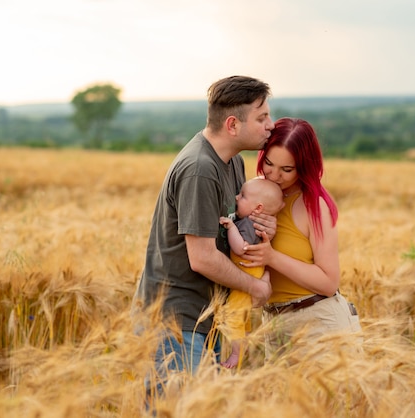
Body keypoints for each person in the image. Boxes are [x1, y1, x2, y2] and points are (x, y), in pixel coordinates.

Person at [131, 76, 277, 393]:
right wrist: (256, 287)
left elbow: (235, 233)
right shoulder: (199, 168)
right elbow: (203, 258)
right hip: (175, 321)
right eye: (262, 117)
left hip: (208, 319)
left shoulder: (233, 162)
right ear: (233, 125)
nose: (270, 125)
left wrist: (265, 228)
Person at [243, 117, 362, 361]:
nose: (274, 175)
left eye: (287, 169)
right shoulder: (253, 195)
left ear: (304, 167)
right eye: (269, 163)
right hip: (272, 323)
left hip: (318, 324)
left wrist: (272, 257)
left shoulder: (314, 205)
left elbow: (329, 282)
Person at [217, 178, 284, 369]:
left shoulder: (247, 224)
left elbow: (241, 248)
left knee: (232, 316)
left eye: (243, 196)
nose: (237, 197)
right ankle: (242, 346)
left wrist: (230, 227)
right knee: (242, 318)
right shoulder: (252, 223)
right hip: (252, 274)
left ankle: (237, 354)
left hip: (245, 277)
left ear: (258, 208)